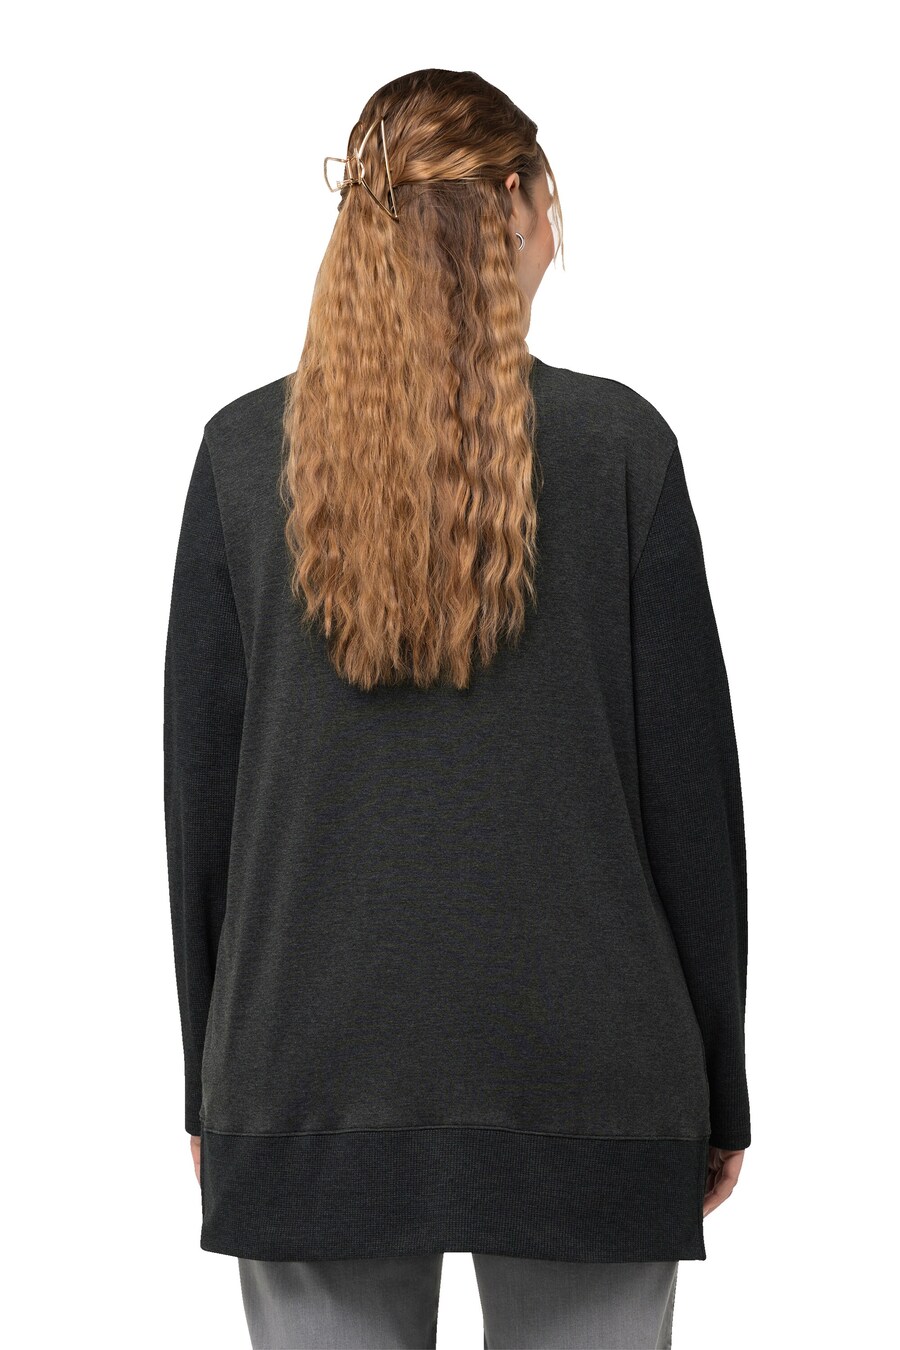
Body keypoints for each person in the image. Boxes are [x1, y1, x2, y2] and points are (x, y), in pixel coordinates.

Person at [163, 67, 750, 1350]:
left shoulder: (241, 456)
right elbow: (693, 812)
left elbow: (202, 815)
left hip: (305, 1071)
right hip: (594, 1084)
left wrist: (217, 1085)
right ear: (524, 202)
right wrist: (718, 1083)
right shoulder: (622, 450)